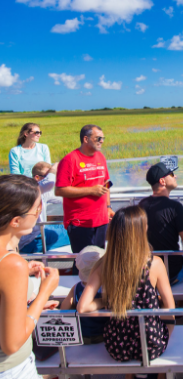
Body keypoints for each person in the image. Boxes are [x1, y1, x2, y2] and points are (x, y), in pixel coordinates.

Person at [77, 205, 175, 363]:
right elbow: (170, 308)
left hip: (117, 345)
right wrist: (168, 329)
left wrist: (107, 300)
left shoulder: (105, 264)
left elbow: (82, 307)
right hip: (150, 343)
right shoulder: (154, 263)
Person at [0, 174, 60, 378]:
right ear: (16, 221)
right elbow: (12, 343)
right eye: (37, 208)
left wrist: (26, 306)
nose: (39, 212)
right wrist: (44, 292)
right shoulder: (11, 264)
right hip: (11, 369)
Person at [55, 124, 113, 256]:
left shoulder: (100, 157)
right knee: (83, 262)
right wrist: (90, 191)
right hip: (80, 221)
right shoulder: (70, 160)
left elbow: (106, 183)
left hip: (101, 219)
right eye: (98, 138)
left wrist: (108, 207)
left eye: (103, 138)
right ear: (86, 139)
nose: (102, 141)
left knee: (99, 259)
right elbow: (60, 190)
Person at [139, 162, 183, 285]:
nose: (175, 176)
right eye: (171, 174)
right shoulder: (175, 208)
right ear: (162, 181)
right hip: (171, 273)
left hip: (148, 271)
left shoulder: (141, 205)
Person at [18, 162, 71, 254]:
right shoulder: (32, 190)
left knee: (64, 225)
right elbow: (50, 183)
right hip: (32, 240)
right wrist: (54, 168)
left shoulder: (41, 191)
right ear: (37, 178)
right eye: (47, 175)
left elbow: (63, 198)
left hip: (36, 235)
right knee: (74, 231)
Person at [59, 245, 107, 344]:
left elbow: (64, 309)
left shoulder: (76, 288)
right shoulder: (107, 290)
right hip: (103, 334)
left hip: (82, 335)